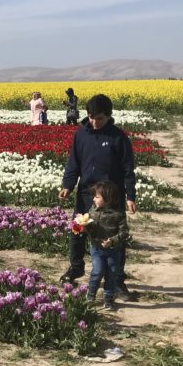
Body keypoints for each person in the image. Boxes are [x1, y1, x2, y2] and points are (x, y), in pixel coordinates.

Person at [58, 94, 137, 299]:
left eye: (99, 118)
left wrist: (130, 196)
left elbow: (128, 169)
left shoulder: (118, 138)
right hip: (86, 194)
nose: (94, 122)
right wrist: (68, 185)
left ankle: (117, 279)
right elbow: (73, 162)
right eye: (91, 117)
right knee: (77, 231)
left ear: (109, 116)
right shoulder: (81, 134)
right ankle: (76, 268)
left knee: (114, 237)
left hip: (111, 197)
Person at [85, 181, 129, 312]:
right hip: (97, 248)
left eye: (97, 197)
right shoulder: (92, 210)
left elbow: (124, 232)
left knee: (111, 274)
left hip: (113, 251)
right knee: (97, 271)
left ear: (108, 198)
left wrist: (113, 241)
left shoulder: (118, 214)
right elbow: (89, 226)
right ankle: (90, 295)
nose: (94, 199)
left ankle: (108, 299)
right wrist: (82, 226)